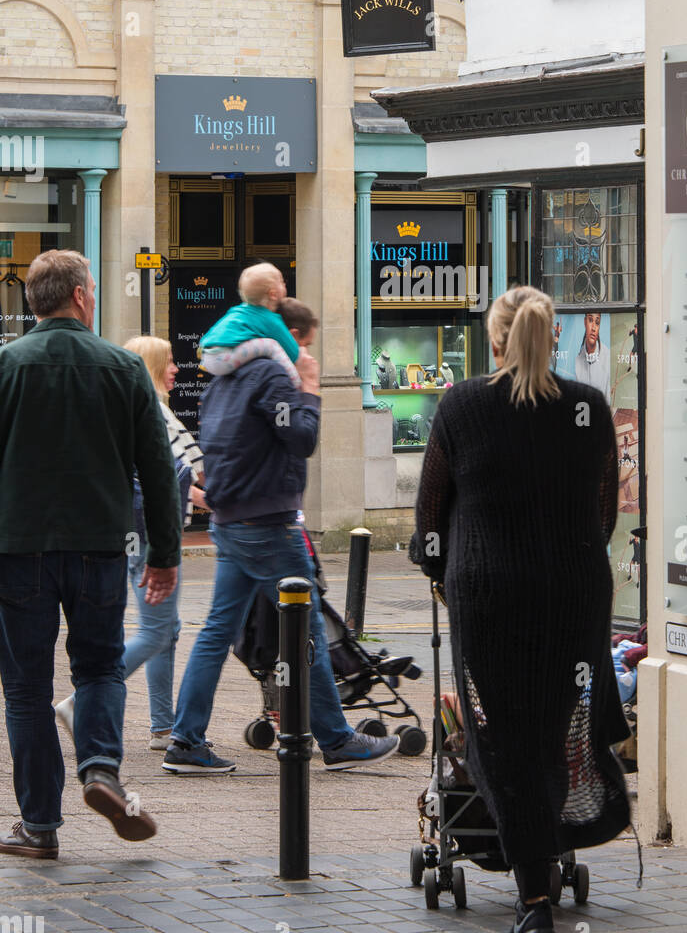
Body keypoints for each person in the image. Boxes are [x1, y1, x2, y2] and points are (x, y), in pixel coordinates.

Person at [410, 286, 631, 933]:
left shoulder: (461, 405)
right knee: (553, 733)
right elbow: (604, 515)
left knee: (502, 742)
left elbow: (429, 519)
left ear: (495, 339)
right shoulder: (588, 407)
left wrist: (440, 570)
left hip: (488, 596)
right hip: (572, 594)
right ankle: (553, 849)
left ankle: (533, 900)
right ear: (551, 336)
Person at [162, 298, 399, 774]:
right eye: (304, 344)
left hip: (231, 522)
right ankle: (336, 739)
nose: (305, 353)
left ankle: (185, 740)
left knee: (216, 631)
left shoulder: (222, 380)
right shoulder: (272, 376)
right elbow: (302, 438)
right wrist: (310, 389)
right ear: (287, 337)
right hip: (269, 524)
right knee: (305, 630)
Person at [0, 250, 180, 858]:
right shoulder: (124, 369)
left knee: (26, 689)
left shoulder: (7, 365)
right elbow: (158, 469)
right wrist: (164, 552)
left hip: (18, 548)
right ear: (80, 296)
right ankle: (101, 768)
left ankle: (39, 827)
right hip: (101, 547)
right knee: (99, 667)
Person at [55, 336, 205, 750]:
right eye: (170, 361)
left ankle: (162, 726)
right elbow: (189, 471)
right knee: (158, 632)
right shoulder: (155, 411)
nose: (177, 368)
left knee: (167, 630)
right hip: (150, 536)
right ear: (152, 365)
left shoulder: (140, 408)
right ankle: (80, 701)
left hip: (134, 532)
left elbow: (177, 475)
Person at [198, 262, 301, 386]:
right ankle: (296, 383)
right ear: (273, 294)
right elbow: (293, 353)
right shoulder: (269, 319)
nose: (284, 283)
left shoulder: (238, 311)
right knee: (271, 345)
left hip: (208, 355)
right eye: (281, 281)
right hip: (222, 358)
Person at [575, 310, 610, 402]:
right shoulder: (577, 360)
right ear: (584, 322)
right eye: (590, 320)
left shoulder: (607, 357)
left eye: (597, 323)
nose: (594, 328)